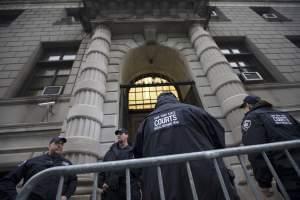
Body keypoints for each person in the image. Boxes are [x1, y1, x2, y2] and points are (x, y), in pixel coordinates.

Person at [133, 92, 239, 200]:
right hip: (205, 178)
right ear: (175, 99)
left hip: (163, 185)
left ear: (158, 103)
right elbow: (217, 134)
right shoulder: (193, 110)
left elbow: (138, 155)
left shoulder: (147, 122)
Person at [240, 95, 300, 199]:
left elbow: (257, 152)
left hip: (290, 176)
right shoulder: (284, 114)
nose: (244, 111)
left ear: (248, 105)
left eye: (244, 108)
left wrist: (264, 183)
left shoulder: (252, 117)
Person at [0, 136, 77, 200]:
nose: (60, 146)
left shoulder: (67, 164)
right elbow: (8, 181)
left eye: (62, 144)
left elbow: (73, 181)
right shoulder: (33, 161)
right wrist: (16, 197)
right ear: (49, 146)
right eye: (57, 143)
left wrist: (66, 196)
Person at [98, 128, 141, 200]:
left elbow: (139, 171)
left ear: (127, 135)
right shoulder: (110, 152)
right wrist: (101, 183)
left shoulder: (133, 152)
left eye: (121, 133)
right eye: (117, 134)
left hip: (129, 191)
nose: (118, 135)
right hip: (111, 192)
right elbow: (102, 169)